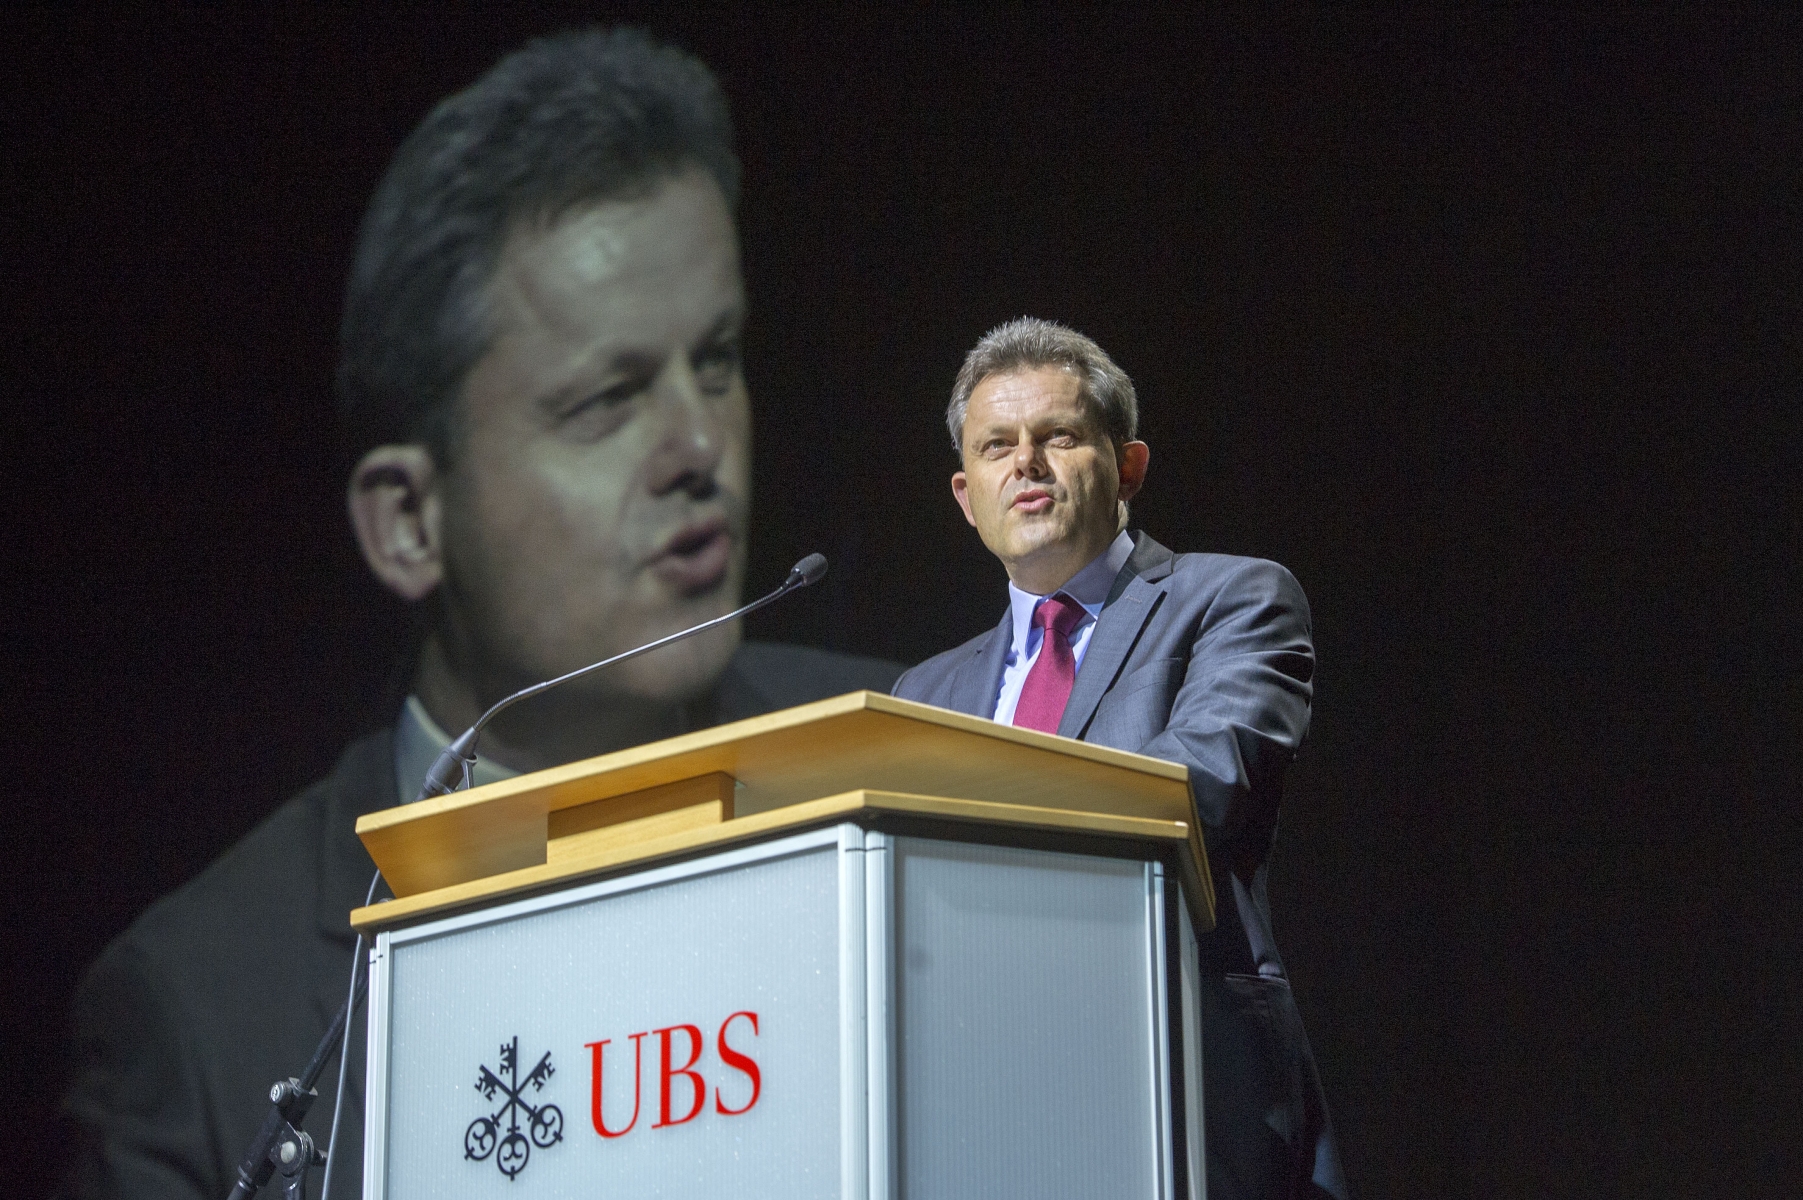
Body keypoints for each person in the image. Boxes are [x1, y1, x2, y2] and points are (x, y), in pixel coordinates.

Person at [62, 29, 899, 1200]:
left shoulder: (920, 764)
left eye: (715, 361)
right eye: (608, 399)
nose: (701, 448)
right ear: (409, 521)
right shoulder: (199, 1013)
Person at [892, 318, 1348, 1200]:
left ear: (1127, 467)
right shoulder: (923, 694)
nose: (1024, 464)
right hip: (975, 1102)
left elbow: (1201, 784)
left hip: (1180, 1082)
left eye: (1056, 437)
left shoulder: (1230, 602)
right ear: (964, 493)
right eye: (995, 447)